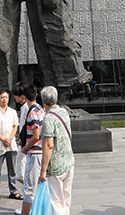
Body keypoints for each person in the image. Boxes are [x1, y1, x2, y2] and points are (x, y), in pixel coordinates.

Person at [39, 86, 75, 215]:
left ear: (43, 101)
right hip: (68, 162)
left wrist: (43, 171)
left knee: (56, 203)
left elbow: (49, 145)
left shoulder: (48, 119)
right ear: (56, 98)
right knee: (66, 198)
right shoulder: (63, 112)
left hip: (56, 167)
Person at [0, 90, 21, 204]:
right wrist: (3, 139)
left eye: (6, 97)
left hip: (11, 144)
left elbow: (15, 126)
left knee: (12, 169)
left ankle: (13, 191)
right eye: (2, 97)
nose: (4, 99)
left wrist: (10, 139)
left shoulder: (12, 112)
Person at [20, 84, 45, 215]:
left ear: (24, 97)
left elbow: (36, 136)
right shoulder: (40, 109)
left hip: (35, 152)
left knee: (29, 188)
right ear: (36, 95)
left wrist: (25, 147)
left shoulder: (33, 112)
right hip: (41, 151)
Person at [12, 82, 29, 188]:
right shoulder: (24, 107)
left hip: (27, 140)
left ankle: (27, 187)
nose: (14, 97)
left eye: (16, 95)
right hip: (24, 139)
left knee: (21, 163)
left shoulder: (27, 107)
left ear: (22, 96)